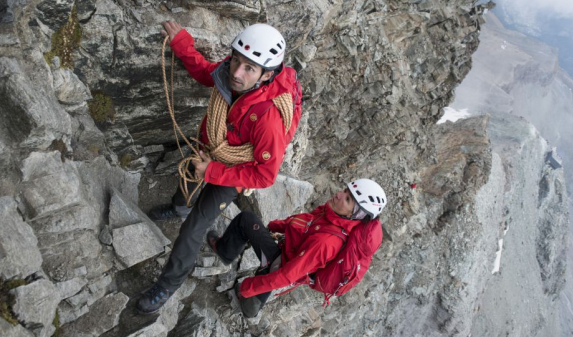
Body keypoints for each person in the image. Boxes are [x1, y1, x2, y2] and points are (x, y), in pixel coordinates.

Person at [137, 21, 302, 314]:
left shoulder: (269, 120)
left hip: (236, 169)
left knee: (194, 228)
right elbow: (207, 74)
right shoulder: (234, 72)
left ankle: (167, 285)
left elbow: (265, 175)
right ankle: (178, 206)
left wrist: (212, 172)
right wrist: (181, 44)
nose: (237, 73)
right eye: (236, 61)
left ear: (267, 74)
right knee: (189, 174)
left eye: (249, 68)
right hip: (213, 145)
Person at [207, 178, 387, 318]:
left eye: (347, 199)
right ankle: (250, 304)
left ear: (354, 215)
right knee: (270, 266)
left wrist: (248, 286)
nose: (339, 194)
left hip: (283, 263)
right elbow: (303, 223)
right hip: (286, 254)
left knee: (246, 220)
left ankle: (227, 256)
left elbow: (287, 276)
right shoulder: (331, 214)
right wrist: (275, 226)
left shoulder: (327, 243)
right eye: (345, 190)